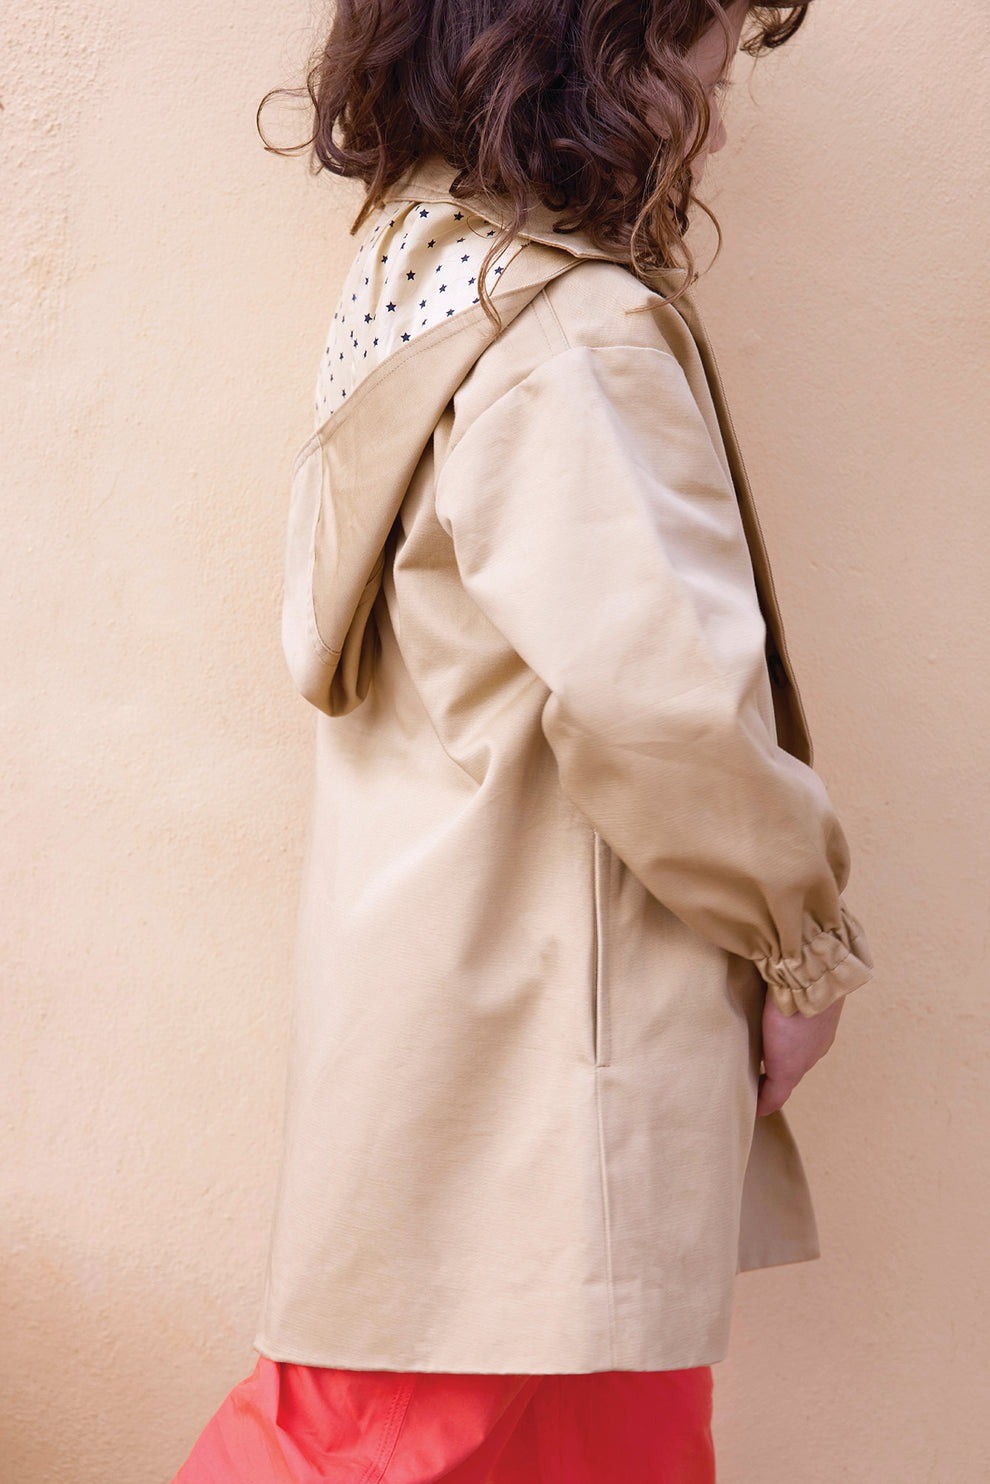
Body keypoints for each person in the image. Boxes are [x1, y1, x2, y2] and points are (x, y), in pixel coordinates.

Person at [172, 1, 875, 1479]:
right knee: (359, 1445)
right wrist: (799, 948)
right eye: (699, 68)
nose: (715, 123)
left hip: (467, 1020)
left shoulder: (415, 275)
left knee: (590, 1446)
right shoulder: (568, 334)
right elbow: (663, 706)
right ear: (584, 52)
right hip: (552, 1071)